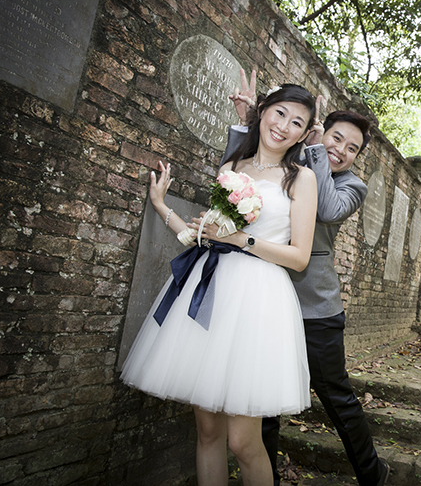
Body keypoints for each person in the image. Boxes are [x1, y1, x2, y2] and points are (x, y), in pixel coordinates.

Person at [121, 84, 319, 486]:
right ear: (263, 111)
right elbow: (204, 237)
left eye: (296, 122)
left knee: (242, 442)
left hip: (258, 301)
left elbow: (299, 257)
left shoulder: (302, 179)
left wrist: (241, 240)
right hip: (210, 291)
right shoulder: (233, 167)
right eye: (279, 113)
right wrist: (162, 206)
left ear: (303, 134)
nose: (283, 126)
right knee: (208, 431)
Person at [224, 70, 390, 486]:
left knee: (335, 393)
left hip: (314, 307)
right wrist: (245, 121)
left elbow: (327, 210)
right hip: (264, 298)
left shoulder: (352, 186)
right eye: (336, 139)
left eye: (352, 148)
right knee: (262, 397)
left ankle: (372, 472)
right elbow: (240, 182)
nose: (341, 151)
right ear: (319, 132)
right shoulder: (290, 160)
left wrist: (315, 152)